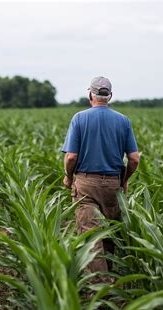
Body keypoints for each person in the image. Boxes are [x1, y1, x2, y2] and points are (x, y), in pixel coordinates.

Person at [61, 76, 140, 283]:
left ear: (90, 95)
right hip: (113, 185)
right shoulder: (123, 121)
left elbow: (71, 157)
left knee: (90, 236)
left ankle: (100, 290)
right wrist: (123, 180)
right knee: (109, 235)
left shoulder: (79, 118)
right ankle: (112, 282)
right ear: (110, 96)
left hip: (85, 184)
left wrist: (68, 177)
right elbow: (134, 159)